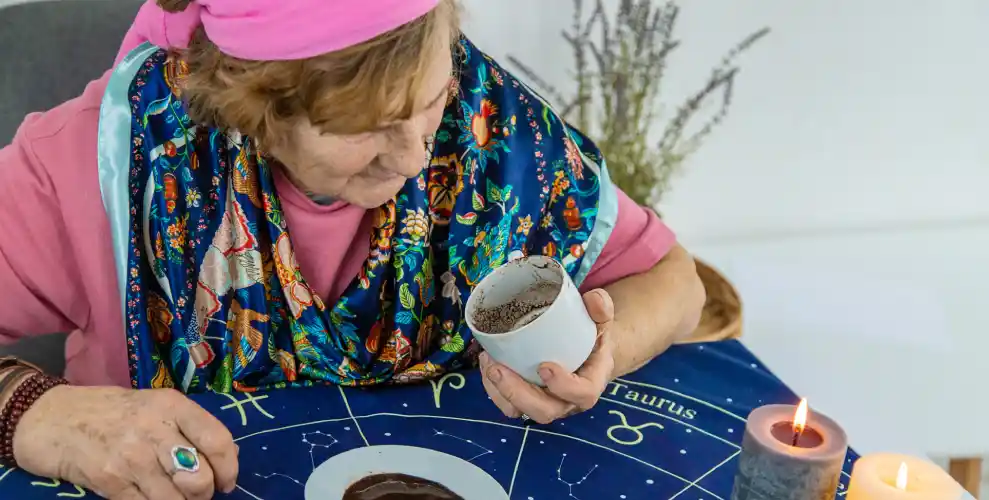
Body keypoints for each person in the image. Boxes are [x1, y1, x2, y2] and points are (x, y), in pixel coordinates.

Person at [0, 0, 706, 498]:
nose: (415, 154)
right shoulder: (103, 158)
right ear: (259, 107)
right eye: (367, 126)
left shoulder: (492, 126)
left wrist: (598, 352)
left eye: (429, 99)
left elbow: (676, 283)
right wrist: (36, 411)